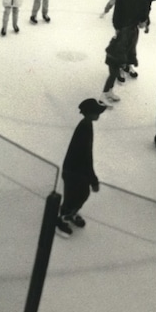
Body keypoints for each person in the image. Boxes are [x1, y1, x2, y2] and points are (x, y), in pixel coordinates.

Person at [56, 97, 107, 236]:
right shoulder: (84, 128)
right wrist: (93, 179)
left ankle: (70, 213)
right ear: (90, 113)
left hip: (77, 171)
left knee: (82, 194)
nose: (99, 115)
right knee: (74, 197)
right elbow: (86, 157)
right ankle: (61, 218)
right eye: (97, 113)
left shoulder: (86, 125)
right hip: (74, 171)